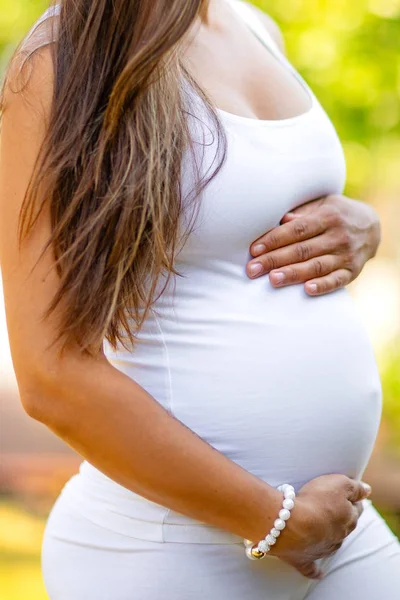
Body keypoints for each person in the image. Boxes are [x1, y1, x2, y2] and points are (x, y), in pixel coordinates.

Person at [0, 1, 399, 598]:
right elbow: (52, 374)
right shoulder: (60, 61)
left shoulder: (253, 25)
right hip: (169, 551)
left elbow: (258, 203)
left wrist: (364, 226)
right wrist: (276, 520)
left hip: (341, 531)